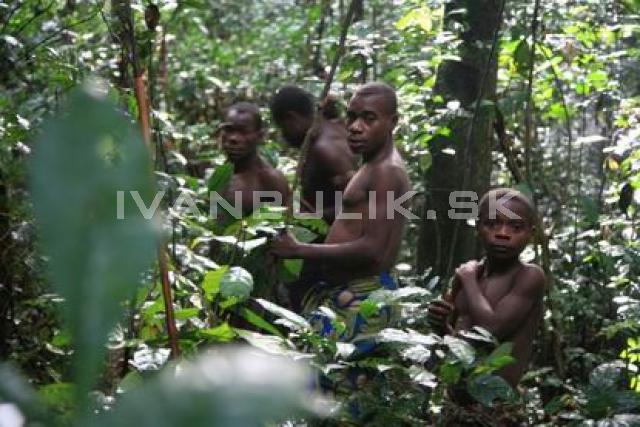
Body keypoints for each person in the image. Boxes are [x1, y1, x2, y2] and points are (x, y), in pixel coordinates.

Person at [270, 82, 412, 345]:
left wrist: (299, 249)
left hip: (363, 298)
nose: (356, 127)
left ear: (392, 122)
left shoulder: (387, 171)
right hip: (349, 293)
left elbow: (373, 249)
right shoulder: (373, 165)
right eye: (352, 116)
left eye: (369, 118)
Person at [428, 187, 546, 388]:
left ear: (531, 234)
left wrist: (469, 280)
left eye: (516, 227)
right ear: (478, 226)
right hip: (453, 394)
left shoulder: (529, 276)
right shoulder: (468, 275)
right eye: (492, 224)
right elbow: (455, 343)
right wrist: (440, 325)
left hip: (495, 400)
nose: (502, 234)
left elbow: (490, 331)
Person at [270, 85, 356, 224]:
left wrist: (307, 219)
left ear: (291, 118)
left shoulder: (325, 149)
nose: (284, 135)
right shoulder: (333, 127)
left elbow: (359, 206)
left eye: (283, 127)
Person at [216, 102, 290, 219]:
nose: (233, 138)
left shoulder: (269, 179)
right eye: (229, 130)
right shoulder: (219, 175)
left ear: (260, 136)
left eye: (243, 132)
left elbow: (284, 223)